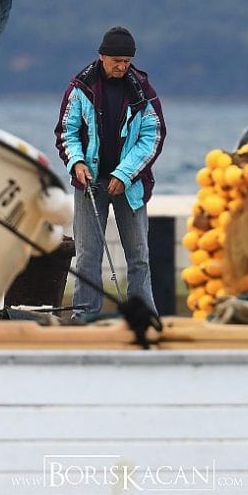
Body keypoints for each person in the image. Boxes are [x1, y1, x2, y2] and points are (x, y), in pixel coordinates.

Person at [54, 26, 166, 319]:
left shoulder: (143, 91)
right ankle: (84, 316)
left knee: (139, 256)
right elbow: (67, 131)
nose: (122, 66)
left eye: (127, 61)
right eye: (116, 60)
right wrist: (76, 162)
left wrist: (124, 175)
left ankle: (145, 316)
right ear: (102, 56)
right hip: (88, 184)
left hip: (130, 186)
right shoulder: (80, 88)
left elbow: (153, 137)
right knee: (88, 257)